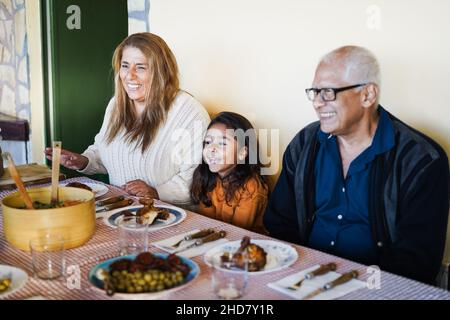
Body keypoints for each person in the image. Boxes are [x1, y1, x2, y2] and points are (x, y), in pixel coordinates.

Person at [264, 46, 449, 284]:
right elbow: (280, 223)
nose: (318, 103)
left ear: (368, 95)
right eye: (315, 92)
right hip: (304, 279)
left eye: (328, 92)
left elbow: (417, 263)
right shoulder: (304, 145)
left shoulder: (422, 160)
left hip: (378, 289)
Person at [45, 33, 210, 206]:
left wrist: (156, 193)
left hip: (171, 217)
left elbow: (198, 176)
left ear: (161, 71)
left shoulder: (189, 111)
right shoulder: (117, 104)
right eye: (125, 66)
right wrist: (83, 161)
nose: (129, 75)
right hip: (121, 210)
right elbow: (105, 151)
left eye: (140, 67)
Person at [190, 112, 269, 234]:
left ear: (242, 153)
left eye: (222, 143)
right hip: (215, 239)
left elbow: (237, 232)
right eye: (208, 142)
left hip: (244, 244)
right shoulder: (208, 178)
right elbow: (205, 222)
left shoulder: (252, 186)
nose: (212, 149)